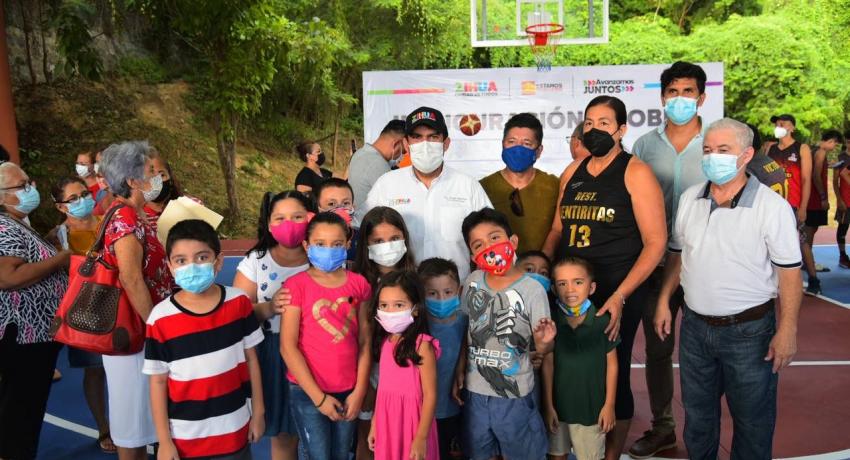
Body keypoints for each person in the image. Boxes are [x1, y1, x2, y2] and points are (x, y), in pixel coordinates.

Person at [655, 118, 802, 460]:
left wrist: (788, 329)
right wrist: (663, 299)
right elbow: (677, 255)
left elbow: (790, 275)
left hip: (750, 333)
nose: (713, 157)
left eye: (723, 150)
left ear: (747, 155)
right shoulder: (690, 198)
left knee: (752, 423)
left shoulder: (771, 207)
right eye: (708, 150)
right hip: (695, 329)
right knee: (698, 420)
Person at [542, 95, 666, 460]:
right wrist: (541, 268)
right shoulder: (573, 171)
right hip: (570, 289)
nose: (594, 130)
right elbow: (557, 229)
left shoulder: (635, 172)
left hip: (615, 289)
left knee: (614, 366)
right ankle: (569, 445)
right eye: (589, 123)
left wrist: (621, 295)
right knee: (568, 363)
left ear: (622, 130)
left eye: (604, 123)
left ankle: (611, 454)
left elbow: (656, 242)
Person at [628, 61, 707, 458]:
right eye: (673, 92)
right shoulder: (644, 146)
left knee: (702, 351)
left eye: (688, 92)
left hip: (704, 265)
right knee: (658, 349)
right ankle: (664, 427)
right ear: (662, 98)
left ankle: (703, 429)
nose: (680, 99)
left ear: (701, 98)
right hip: (657, 265)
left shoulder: (716, 143)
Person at [144, 219, 265, 459]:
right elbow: (158, 382)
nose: (192, 266)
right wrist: (164, 441)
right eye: (181, 260)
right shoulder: (159, 319)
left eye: (201, 257)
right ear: (170, 266)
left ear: (218, 261)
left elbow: (252, 360)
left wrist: (259, 412)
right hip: (186, 440)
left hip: (235, 432)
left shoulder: (238, 303)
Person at [457, 208, 556, 460]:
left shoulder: (533, 290)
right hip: (475, 393)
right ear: (473, 256)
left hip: (515, 396)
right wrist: (460, 369)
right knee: (479, 453)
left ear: (513, 241)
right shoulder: (473, 281)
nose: (489, 247)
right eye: (478, 244)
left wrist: (543, 343)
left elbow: (544, 348)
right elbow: (467, 329)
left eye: (494, 237)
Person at [99, 140, 175, 460]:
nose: (156, 177)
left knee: (145, 418)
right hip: (135, 333)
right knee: (132, 423)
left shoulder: (134, 214)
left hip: (141, 330)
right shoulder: (125, 219)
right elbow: (131, 279)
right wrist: (155, 327)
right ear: (132, 180)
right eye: (150, 171)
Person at [280, 212, 372, 460]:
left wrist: (360, 390)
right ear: (306, 245)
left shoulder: (359, 284)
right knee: (318, 455)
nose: (328, 250)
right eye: (320, 244)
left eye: (337, 243)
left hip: (349, 390)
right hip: (307, 392)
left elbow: (365, 342)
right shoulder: (296, 286)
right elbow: (288, 347)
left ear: (348, 244)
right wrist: (318, 398)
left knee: (341, 454)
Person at [364, 106, 493, 281]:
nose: (425, 144)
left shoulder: (467, 186)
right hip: (403, 291)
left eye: (433, 137)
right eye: (417, 137)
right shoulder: (386, 185)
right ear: (406, 144)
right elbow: (364, 235)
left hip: (455, 291)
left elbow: (492, 239)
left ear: (446, 144)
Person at [232, 190, 312, 459]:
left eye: (297, 217)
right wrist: (269, 307)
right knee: (284, 435)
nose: (289, 224)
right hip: (272, 355)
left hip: (315, 353)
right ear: (268, 224)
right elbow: (238, 312)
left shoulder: (323, 256)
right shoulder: (256, 261)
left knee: (318, 433)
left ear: (310, 218)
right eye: (280, 218)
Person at [0, 162, 70, 460]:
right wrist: (60, 259)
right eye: (21, 186)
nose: (30, 189)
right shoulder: (4, 227)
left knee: (22, 406)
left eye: (29, 182)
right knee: (21, 408)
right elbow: (8, 277)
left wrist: (50, 246)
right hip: (24, 336)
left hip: (34, 334)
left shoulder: (17, 223)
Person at [47, 177, 115, 453]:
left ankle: (137, 422)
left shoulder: (109, 222)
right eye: (73, 198)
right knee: (95, 371)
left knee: (130, 368)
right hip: (85, 313)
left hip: (120, 303)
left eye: (85, 194)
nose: (82, 201)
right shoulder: (57, 237)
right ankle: (104, 427)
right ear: (61, 207)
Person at [351, 205, 418, 459]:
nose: (387, 246)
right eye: (378, 241)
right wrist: (365, 383)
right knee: (367, 438)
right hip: (368, 372)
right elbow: (359, 339)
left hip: (406, 374)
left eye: (394, 239)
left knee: (402, 438)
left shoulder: (416, 280)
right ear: (366, 246)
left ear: (405, 239)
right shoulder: (357, 283)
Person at [542, 257, 618, 460]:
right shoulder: (550, 322)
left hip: (591, 411)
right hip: (558, 409)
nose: (570, 289)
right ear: (554, 289)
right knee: (556, 454)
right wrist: (548, 406)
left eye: (578, 282)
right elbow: (548, 364)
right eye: (562, 283)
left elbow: (612, 365)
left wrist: (609, 405)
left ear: (591, 287)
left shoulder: (603, 321)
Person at [367, 270, 440, 460]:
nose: (390, 312)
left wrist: (421, 438)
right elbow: (382, 388)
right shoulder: (385, 342)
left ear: (415, 308)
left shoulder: (422, 345)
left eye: (399, 305)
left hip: (414, 424)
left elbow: (430, 395)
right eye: (384, 305)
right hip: (387, 423)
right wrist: (375, 423)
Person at [479, 113, 560, 254]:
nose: (518, 149)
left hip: (545, 266)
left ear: (539, 151)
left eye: (526, 143)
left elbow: (559, 230)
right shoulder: (483, 187)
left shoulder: (554, 186)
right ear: (503, 145)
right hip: (498, 266)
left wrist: (543, 260)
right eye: (511, 141)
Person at [418, 257, 468, 460]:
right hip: (422, 414)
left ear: (459, 291)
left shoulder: (465, 322)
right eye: (432, 293)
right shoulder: (416, 327)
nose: (441, 299)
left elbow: (467, 347)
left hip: (455, 410)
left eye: (448, 292)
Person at [767, 114, 816, 292]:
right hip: (772, 204)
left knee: (801, 242)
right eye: (777, 123)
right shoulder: (770, 148)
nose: (779, 126)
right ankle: (771, 282)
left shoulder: (801, 148)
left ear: (792, 128)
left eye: (783, 123)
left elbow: (806, 180)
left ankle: (814, 279)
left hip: (793, 204)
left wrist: (803, 207)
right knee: (768, 242)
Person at [805, 130, 843, 273]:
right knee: (810, 229)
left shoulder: (812, 149)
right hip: (814, 197)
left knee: (811, 228)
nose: (834, 148)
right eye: (835, 145)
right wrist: (823, 197)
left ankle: (807, 260)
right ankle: (808, 262)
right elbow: (816, 176)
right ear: (831, 141)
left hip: (811, 195)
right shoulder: (820, 152)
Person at [349, 119, 406, 212]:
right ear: (396, 144)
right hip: (368, 219)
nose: (402, 156)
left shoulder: (360, 153)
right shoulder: (379, 165)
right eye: (403, 151)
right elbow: (396, 204)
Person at [143, 150, 197, 235]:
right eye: (150, 177)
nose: (158, 181)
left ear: (170, 177)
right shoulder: (138, 219)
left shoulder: (192, 204)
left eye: (162, 175)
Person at [314, 178, 358, 260]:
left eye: (346, 203)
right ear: (319, 209)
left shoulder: (363, 238)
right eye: (331, 204)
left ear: (353, 206)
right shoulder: (310, 239)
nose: (340, 209)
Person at [833, 151, 850, 268]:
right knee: (843, 228)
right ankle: (842, 256)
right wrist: (839, 199)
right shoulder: (841, 158)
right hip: (846, 200)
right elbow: (836, 181)